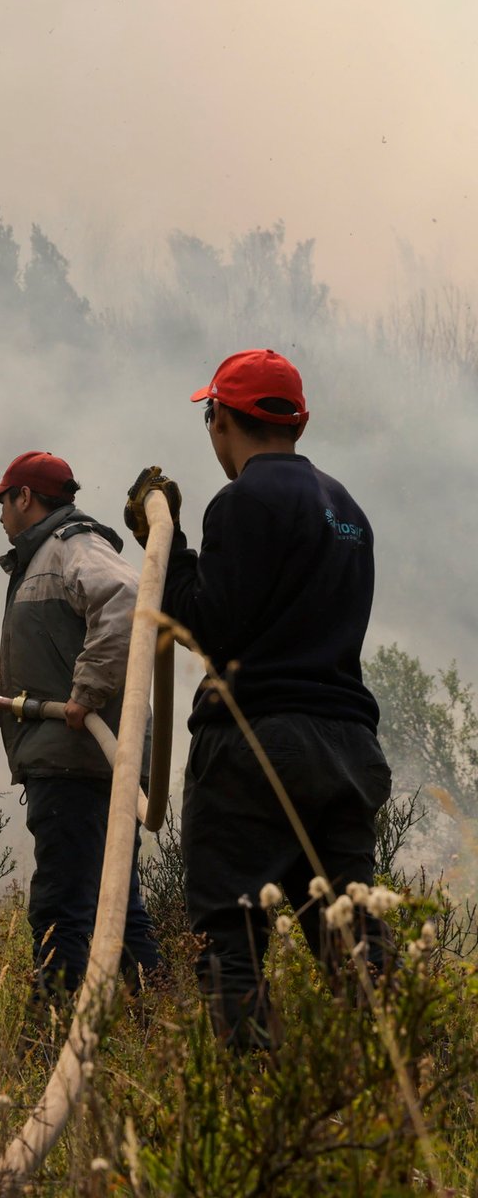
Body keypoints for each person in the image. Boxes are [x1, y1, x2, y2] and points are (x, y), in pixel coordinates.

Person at [125, 349, 392, 1049]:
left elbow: (209, 626)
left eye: (209, 415)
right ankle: (395, 1088)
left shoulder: (244, 499)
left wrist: (167, 547)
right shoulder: (350, 511)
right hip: (345, 753)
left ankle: (254, 1113)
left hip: (254, 749)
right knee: (354, 942)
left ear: (219, 420)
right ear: (296, 421)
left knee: (230, 937)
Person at [0, 450, 161, 1022]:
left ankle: (47, 1043)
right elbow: (33, 676)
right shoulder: (41, 562)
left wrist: (86, 693)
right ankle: (162, 1032)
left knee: (62, 908)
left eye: (2, 501)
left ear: (25, 498)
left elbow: (128, 604)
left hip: (78, 767)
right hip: (82, 763)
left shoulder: (73, 547)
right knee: (119, 908)